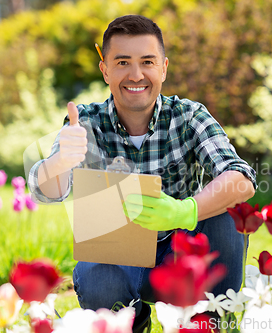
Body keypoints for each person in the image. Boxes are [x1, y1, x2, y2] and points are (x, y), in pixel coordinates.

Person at [28, 15, 257, 332]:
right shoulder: (86, 122)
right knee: (97, 273)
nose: (136, 75)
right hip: (117, 262)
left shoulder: (190, 116)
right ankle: (130, 322)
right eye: (122, 62)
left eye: (147, 62)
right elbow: (45, 191)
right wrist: (59, 163)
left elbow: (242, 178)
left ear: (163, 67)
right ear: (105, 70)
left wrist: (184, 211)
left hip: (182, 259)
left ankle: (209, 324)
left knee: (227, 213)